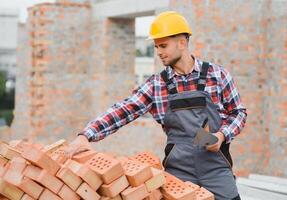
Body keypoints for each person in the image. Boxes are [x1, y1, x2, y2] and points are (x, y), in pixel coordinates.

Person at [64, 11, 247, 200]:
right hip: (179, 172)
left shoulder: (217, 75)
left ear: (182, 42)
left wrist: (221, 135)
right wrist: (86, 135)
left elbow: (238, 113)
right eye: (156, 46)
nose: (158, 52)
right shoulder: (156, 85)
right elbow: (123, 110)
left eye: (163, 45)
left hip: (216, 168)